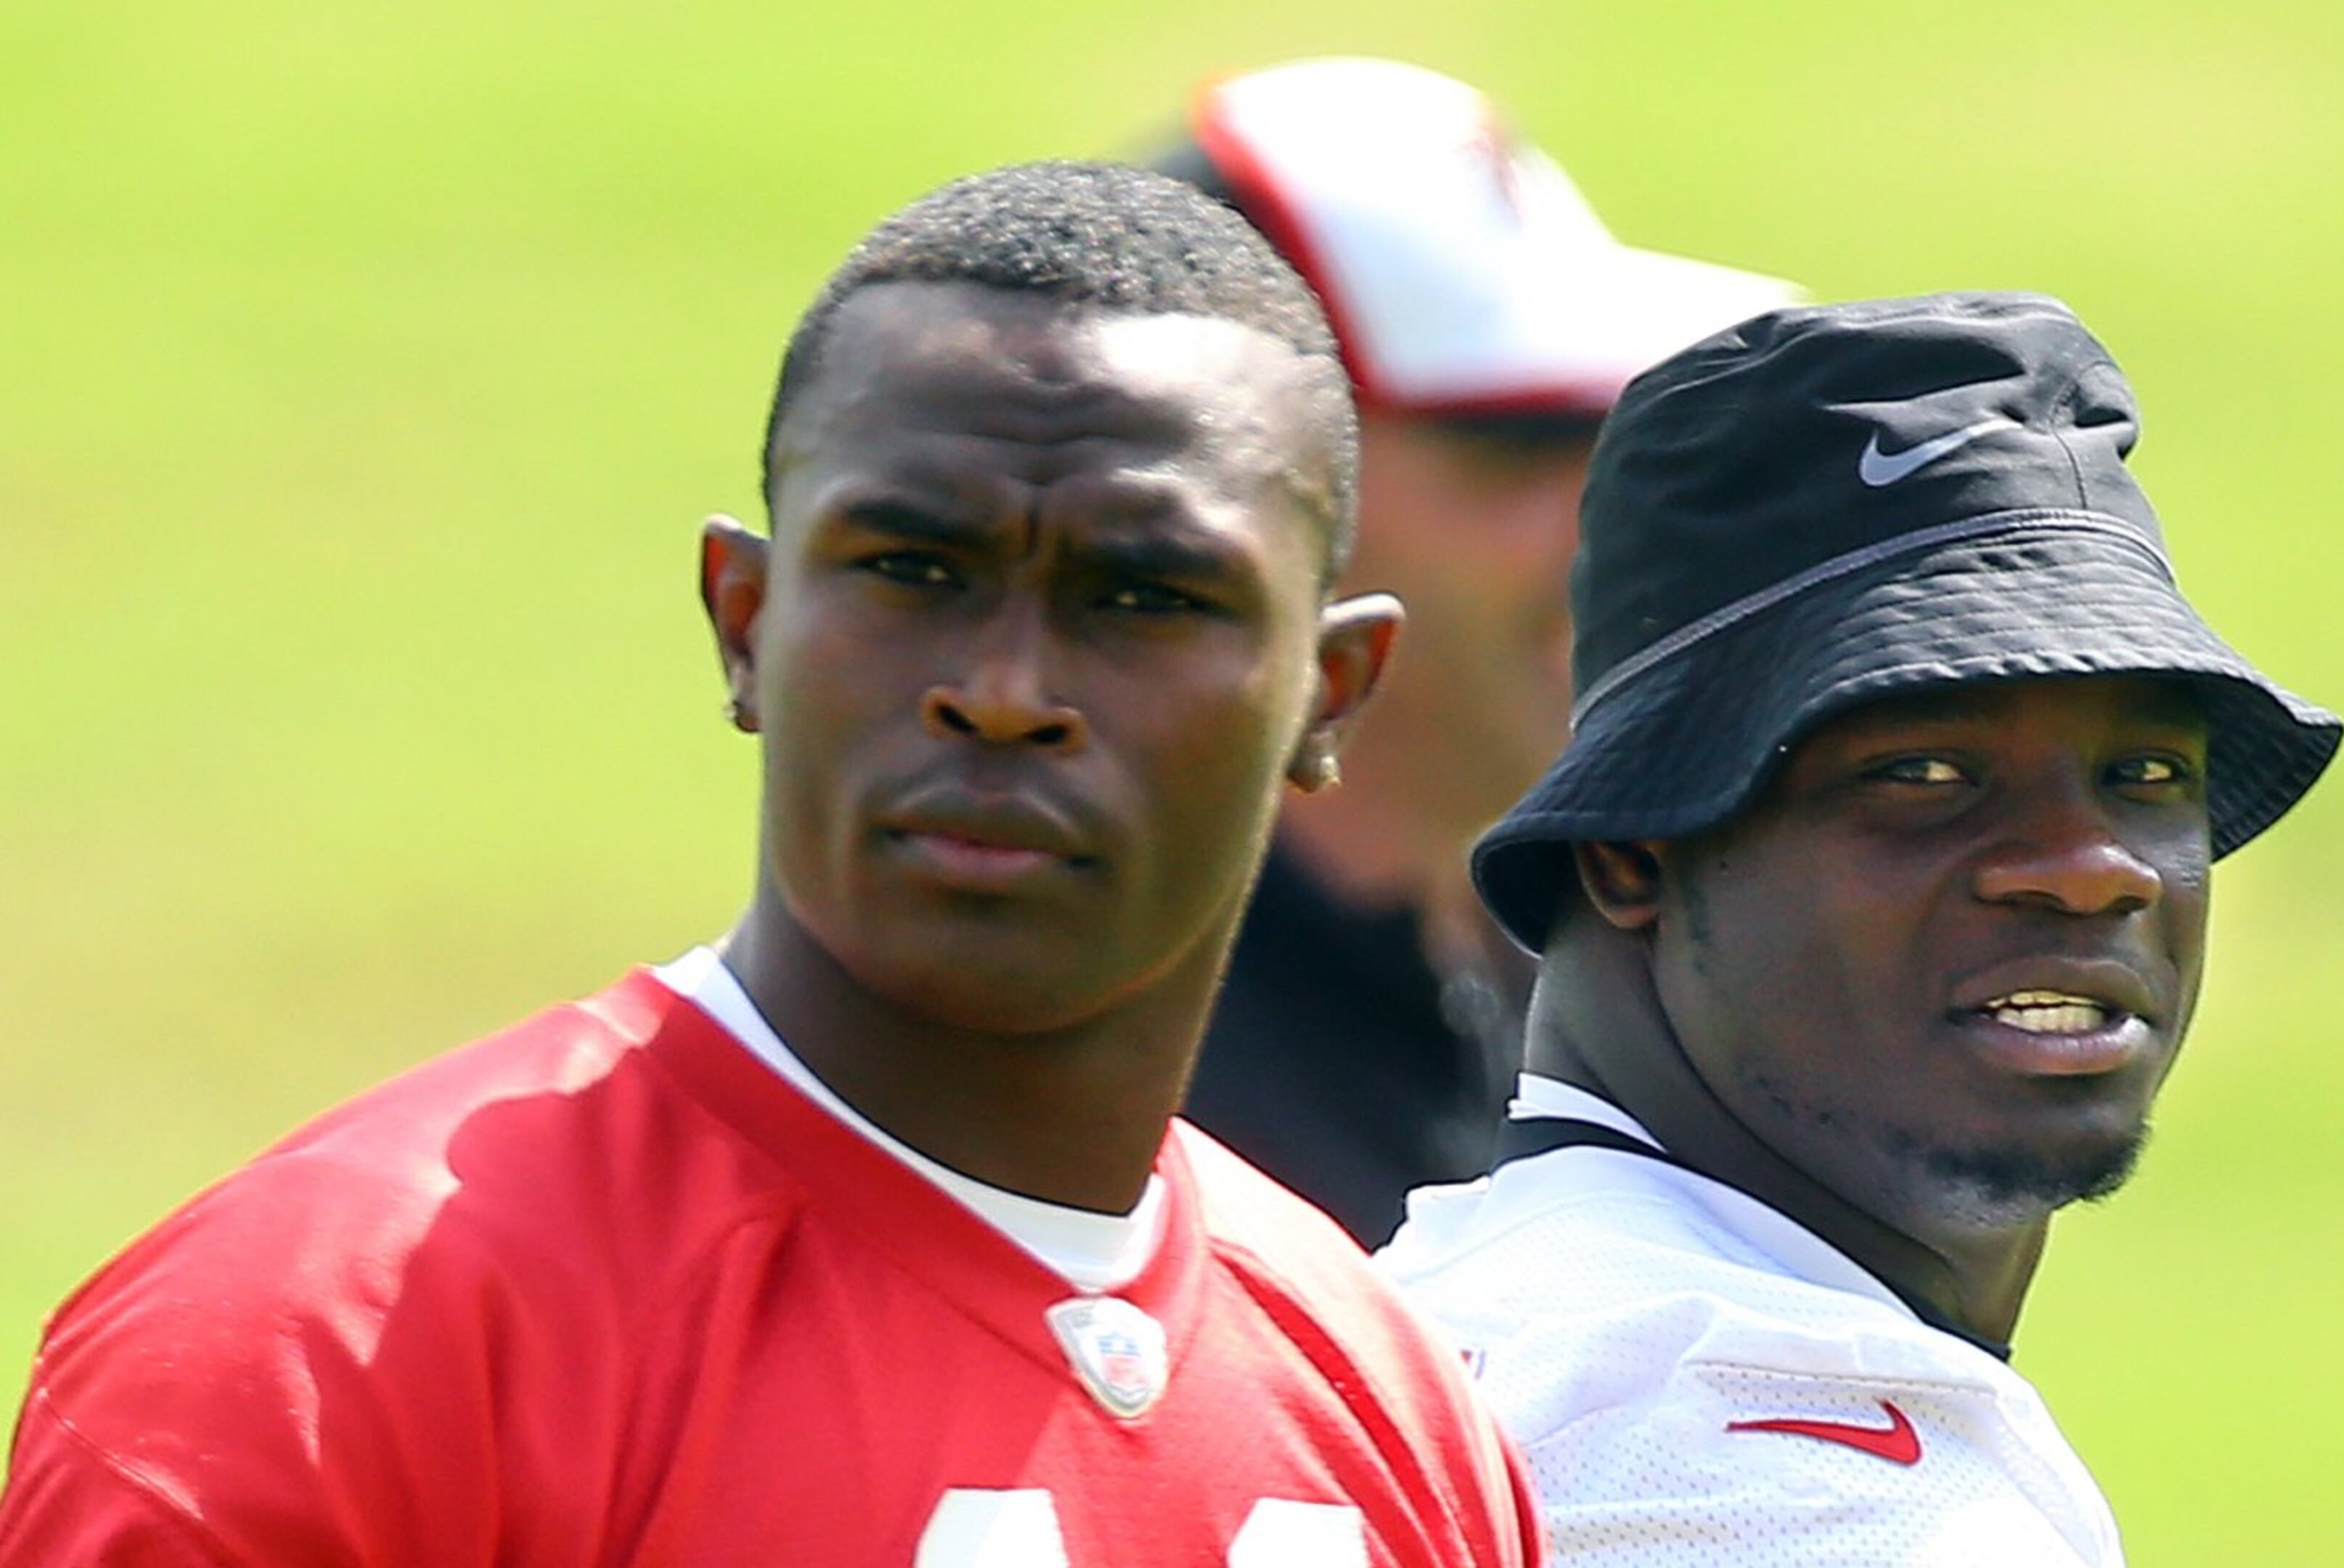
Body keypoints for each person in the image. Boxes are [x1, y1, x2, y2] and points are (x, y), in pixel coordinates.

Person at [1, 162, 1543, 1568]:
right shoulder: (331, 1353)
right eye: (910, 571)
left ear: (1328, 696)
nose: (1004, 690)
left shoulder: (1387, 1405)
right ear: (744, 622)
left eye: (1142, 598)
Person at [1377, 293, 2344, 1564]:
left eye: (2148, 776)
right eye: (1926, 776)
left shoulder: (1496, 1310)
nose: (2091, 869)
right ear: (1631, 849)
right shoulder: (1734, 1453)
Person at [1143, 57, 1799, 1244]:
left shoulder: (1622, 990)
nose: (1622, 524)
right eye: (1518, 449)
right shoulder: (1107, 1105)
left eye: (1627, 433)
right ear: (1236, 500)